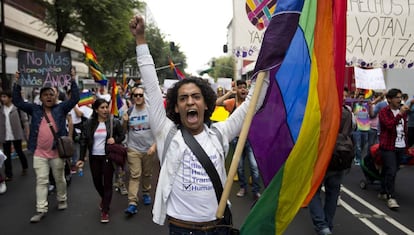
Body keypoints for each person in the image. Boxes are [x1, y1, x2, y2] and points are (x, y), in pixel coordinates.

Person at [129, 15, 269, 233]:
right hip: (182, 229)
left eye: (196, 97)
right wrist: (140, 40)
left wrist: (270, 56)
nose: (190, 102)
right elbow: (151, 86)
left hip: (219, 227)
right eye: (183, 98)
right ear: (176, 107)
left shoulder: (220, 133)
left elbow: (253, 102)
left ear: (206, 104)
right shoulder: (166, 134)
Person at [12, 71, 80, 223]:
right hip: (39, 153)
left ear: (56, 96)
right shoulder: (34, 109)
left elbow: (75, 98)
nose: (49, 97)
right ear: (41, 98)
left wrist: (73, 80)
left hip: (57, 152)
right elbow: (17, 101)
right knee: (42, 181)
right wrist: (17, 83)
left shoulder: (61, 108)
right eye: (45, 95)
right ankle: (41, 209)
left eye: (51, 94)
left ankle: (62, 199)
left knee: (59, 179)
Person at [76, 98, 125, 223]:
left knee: (108, 183)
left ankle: (105, 211)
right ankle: (105, 199)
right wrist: (81, 158)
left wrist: (115, 140)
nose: (105, 110)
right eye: (102, 108)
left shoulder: (114, 122)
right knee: (97, 182)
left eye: (106, 107)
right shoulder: (88, 123)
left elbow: (122, 135)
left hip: (108, 157)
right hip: (94, 157)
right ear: (96, 110)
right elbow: (83, 141)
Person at [308, 103, 354, 235]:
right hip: (340, 157)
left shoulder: (319, 108)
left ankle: (322, 226)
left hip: (320, 157)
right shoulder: (346, 112)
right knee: (333, 193)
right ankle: (327, 224)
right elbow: (350, 133)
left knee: (313, 191)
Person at [216, 80, 261, 200]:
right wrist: (229, 93)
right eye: (240, 88)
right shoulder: (232, 103)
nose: (242, 90)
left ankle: (256, 191)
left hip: (251, 140)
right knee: (239, 167)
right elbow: (218, 102)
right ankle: (243, 188)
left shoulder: (251, 104)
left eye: (244, 88)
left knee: (254, 167)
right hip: (237, 141)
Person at [122, 86, 156, 215]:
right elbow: (124, 131)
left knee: (147, 174)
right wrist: (124, 122)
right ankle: (132, 202)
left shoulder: (151, 111)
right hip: (133, 149)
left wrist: (154, 146)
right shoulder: (129, 112)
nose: (138, 97)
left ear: (144, 97)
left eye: (140, 95)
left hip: (149, 149)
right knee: (135, 175)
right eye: (135, 95)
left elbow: (159, 132)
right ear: (132, 97)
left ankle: (146, 192)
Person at [377, 88, 409, 209]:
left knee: (391, 170)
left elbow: (404, 129)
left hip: (400, 146)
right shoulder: (384, 112)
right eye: (396, 97)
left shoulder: (403, 112)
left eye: (400, 97)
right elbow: (389, 126)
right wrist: (399, 114)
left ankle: (383, 190)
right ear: (389, 99)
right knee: (391, 170)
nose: (399, 99)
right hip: (388, 146)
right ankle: (391, 197)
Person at [0, 90, 29, 181]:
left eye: (5, 97)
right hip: (5, 134)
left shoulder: (17, 108)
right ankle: (9, 174)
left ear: (10, 98)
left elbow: (25, 120)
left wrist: (27, 132)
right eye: (2, 97)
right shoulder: (1, 109)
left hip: (16, 133)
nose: (2, 99)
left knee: (19, 151)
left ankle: (25, 167)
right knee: (6, 154)